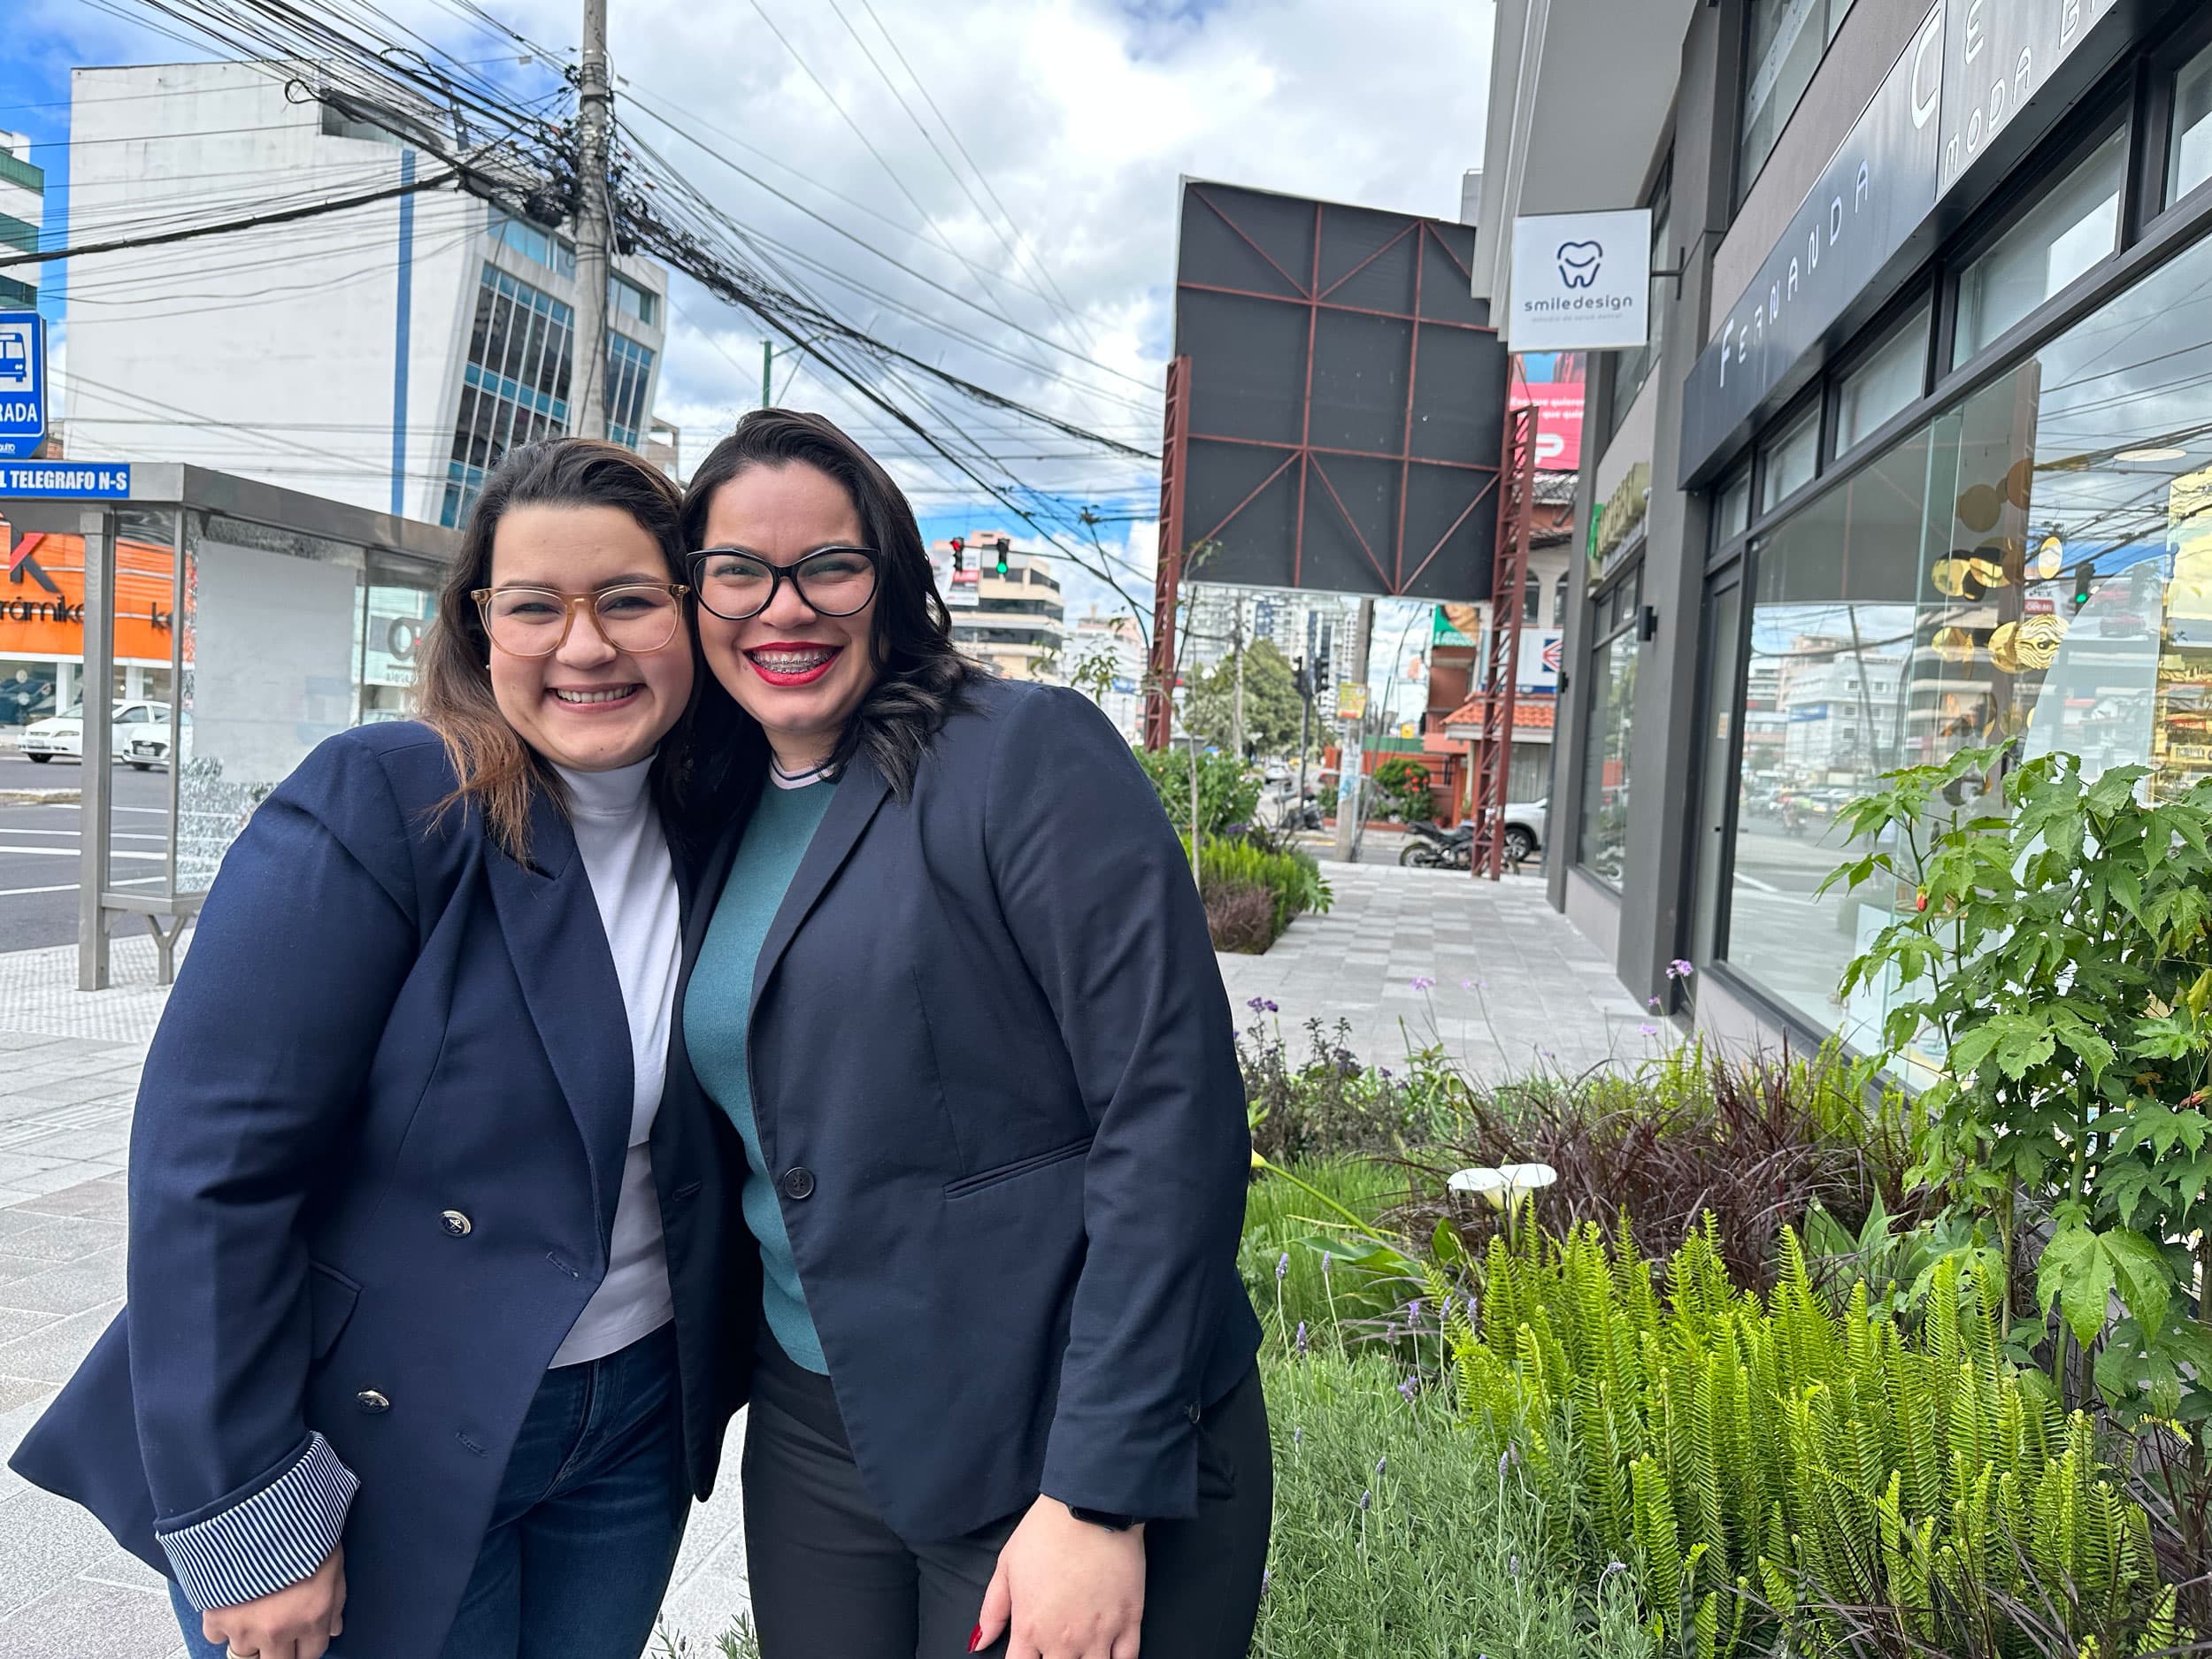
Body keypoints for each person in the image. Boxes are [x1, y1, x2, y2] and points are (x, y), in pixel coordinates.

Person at [11, 438, 749, 1659]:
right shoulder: (392, 800)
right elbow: (209, 1170)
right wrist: (250, 1518)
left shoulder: (714, 823)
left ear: (687, 609)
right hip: (378, 1432)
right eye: (534, 607)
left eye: (627, 598)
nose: (584, 645)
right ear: (477, 624)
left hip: (629, 1423)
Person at [673, 410, 1271, 1659]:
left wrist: (1097, 1491)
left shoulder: (1019, 756)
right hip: (818, 1420)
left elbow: (1172, 1115)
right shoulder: (712, 802)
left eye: (828, 566)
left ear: (890, 580)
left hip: (1045, 1423)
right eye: (737, 572)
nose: (784, 608)